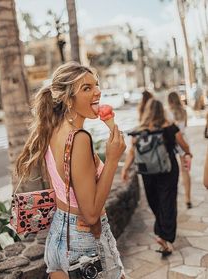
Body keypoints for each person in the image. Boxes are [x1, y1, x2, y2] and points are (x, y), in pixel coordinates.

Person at [15, 62, 126, 279]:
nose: (97, 92)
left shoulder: (53, 131)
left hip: (59, 235)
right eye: (86, 88)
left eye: (96, 85)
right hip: (84, 244)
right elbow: (91, 213)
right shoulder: (79, 138)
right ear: (67, 98)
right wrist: (112, 160)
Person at [121, 99, 192, 257]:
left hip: (147, 172)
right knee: (168, 202)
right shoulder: (169, 127)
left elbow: (132, 151)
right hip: (168, 170)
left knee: (155, 202)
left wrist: (125, 168)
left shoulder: (140, 130)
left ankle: (162, 233)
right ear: (162, 110)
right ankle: (165, 237)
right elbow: (182, 143)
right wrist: (188, 152)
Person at [168, 91, 192, 209]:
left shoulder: (169, 114)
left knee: (173, 171)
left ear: (170, 101)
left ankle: (174, 199)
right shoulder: (184, 112)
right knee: (185, 171)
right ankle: (188, 198)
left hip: (172, 142)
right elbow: (185, 126)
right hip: (183, 141)